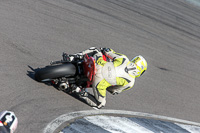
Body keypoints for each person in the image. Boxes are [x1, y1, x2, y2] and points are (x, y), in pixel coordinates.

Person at [67, 47, 147, 109]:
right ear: (140, 71)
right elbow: (113, 90)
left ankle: (73, 57)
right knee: (100, 104)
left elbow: (108, 52)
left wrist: (105, 50)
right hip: (99, 82)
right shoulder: (131, 82)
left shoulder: (124, 58)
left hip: (98, 64)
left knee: (95, 50)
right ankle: (78, 90)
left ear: (134, 60)